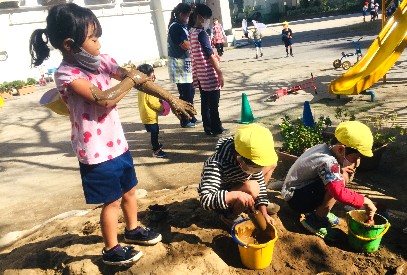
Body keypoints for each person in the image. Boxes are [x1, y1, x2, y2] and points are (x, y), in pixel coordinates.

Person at [29, 3, 195, 266]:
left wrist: (171, 99)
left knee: (130, 190)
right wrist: (132, 79)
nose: (99, 43)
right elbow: (103, 99)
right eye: (93, 39)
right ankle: (111, 248)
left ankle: (133, 229)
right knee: (112, 201)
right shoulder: (67, 75)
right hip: (94, 151)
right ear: (70, 45)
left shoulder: (102, 61)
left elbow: (141, 80)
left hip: (117, 143)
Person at [281, 121, 378, 240]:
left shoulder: (325, 148)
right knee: (340, 180)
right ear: (341, 149)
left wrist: (341, 169)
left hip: (297, 190)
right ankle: (315, 221)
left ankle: (321, 211)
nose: (357, 163)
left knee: (339, 175)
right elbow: (339, 193)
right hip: (296, 199)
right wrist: (365, 201)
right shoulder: (328, 161)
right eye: (356, 157)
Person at [198, 124, 279, 227]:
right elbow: (205, 200)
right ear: (240, 159)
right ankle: (229, 215)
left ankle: (255, 204)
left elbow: (260, 184)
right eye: (255, 167)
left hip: (238, 186)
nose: (258, 170)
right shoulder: (216, 164)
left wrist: (263, 212)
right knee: (252, 187)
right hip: (221, 200)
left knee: (257, 182)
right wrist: (236, 195)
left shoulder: (249, 158)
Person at [189, 4, 227, 136]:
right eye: (207, 18)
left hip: (199, 74)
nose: (208, 22)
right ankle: (216, 128)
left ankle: (208, 127)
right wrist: (219, 73)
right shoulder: (202, 34)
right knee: (213, 104)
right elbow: (210, 55)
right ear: (200, 17)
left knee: (205, 103)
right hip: (209, 74)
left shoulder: (191, 32)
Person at [167, 3, 201, 128]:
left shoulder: (183, 25)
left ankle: (191, 116)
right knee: (185, 94)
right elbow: (185, 45)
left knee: (190, 92)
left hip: (186, 62)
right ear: (181, 14)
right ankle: (184, 120)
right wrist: (197, 42)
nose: (188, 17)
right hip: (179, 64)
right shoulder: (175, 27)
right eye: (187, 14)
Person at [137, 64, 167, 158]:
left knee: (154, 132)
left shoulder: (140, 86)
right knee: (155, 133)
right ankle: (156, 150)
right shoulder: (149, 87)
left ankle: (156, 144)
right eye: (152, 72)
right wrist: (162, 108)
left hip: (145, 114)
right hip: (150, 115)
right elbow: (153, 102)